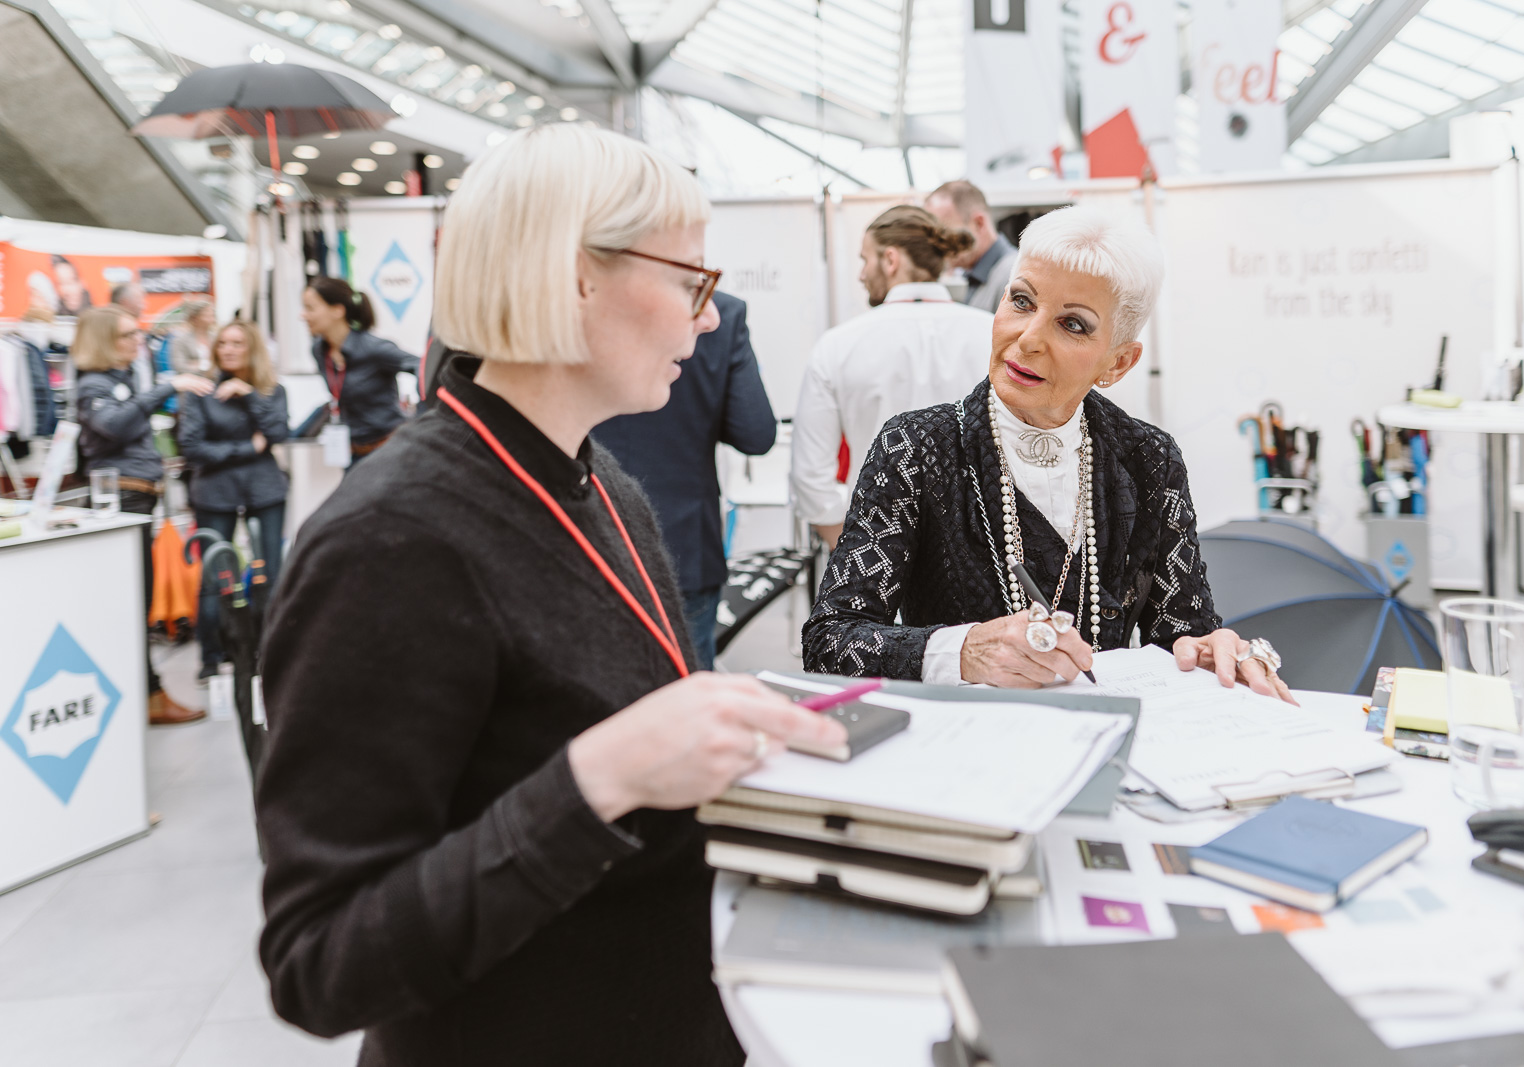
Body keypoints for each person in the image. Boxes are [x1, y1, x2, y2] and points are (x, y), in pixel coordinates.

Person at [255, 124, 843, 1065]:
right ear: (576, 274)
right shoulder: (392, 541)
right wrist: (597, 778)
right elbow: (322, 961)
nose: (707, 317)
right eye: (694, 280)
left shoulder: (602, 480)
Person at [801, 205, 1295, 702]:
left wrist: (1209, 651)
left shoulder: (1149, 459)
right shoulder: (915, 447)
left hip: (1110, 752)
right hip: (962, 753)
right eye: (1021, 301)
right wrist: (963, 650)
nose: (1029, 339)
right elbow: (830, 641)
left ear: (1118, 362)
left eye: (1073, 325)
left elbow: (1182, 633)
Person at [591, 291, 777, 670]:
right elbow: (755, 433)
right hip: (685, 546)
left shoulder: (585, 299)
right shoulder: (722, 312)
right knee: (687, 692)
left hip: (589, 534)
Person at [790, 204, 992, 549]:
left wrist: (856, 555)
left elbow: (810, 477)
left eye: (864, 259)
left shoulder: (838, 345)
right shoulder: (993, 335)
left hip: (876, 551)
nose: (861, 274)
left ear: (891, 259)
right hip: (981, 555)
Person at [72, 306, 216, 724]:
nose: (138, 341)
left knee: (139, 600)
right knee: (131, 602)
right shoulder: (93, 385)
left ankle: (145, 692)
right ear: (104, 339)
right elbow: (114, 425)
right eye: (127, 335)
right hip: (122, 501)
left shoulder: (119, 380)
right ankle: (146, 695)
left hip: (138, 500)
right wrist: (164, 387)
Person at [178, 319, 290, 682]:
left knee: (268, 574)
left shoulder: (271, 390)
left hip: (264, 489)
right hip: (215, 491)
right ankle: (213, 657)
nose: (227, 349)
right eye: (222, 342)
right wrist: (248, 447)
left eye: (237, 343)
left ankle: (267, 651)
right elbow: (192, 448)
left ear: (252, 348)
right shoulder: (199, 390)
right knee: (215, 575)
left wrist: (250, 396)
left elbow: (277, 433)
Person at [301, 276, 418, 465]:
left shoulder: (373, 348)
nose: (302, 315)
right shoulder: (319, 350)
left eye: (310, 308)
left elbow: (422, 366)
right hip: (353, 453)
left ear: (337, 310)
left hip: (389, 453)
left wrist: (422, 414)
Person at [926, 179, 1022, 314]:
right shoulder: (978, 276)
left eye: (945, 233)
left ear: (978, 223)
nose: (938, 245)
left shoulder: (1012, 276)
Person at [164, 299, 216, 375]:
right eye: (206, 314)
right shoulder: (180, 340)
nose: (211, 318)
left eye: (212, 314)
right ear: (194, 318)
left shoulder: (216, 338)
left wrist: (195, 364)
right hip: (191, 383)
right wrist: (205, 365)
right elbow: (180, 367)